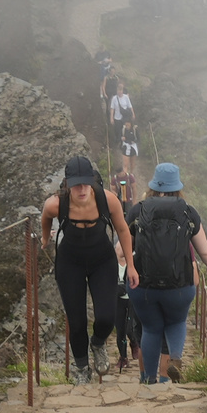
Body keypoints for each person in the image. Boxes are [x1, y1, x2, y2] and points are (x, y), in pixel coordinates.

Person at [41, 156, 137, 384]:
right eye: (76, 184)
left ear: (92, 181)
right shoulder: (56, 204)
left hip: (102, 261)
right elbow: (45, 217)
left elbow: (123, 230)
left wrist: (131, 266)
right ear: (68, 183)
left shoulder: (108, 200)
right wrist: (45, 239)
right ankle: (82, 367)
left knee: (106, 316)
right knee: (76, 321)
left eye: (86, 183)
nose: (82, 189)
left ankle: (98, 342)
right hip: (69, 263)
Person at [124, 162, 207, 384]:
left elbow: (121, 249)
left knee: (151, 328)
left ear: (154, 184)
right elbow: (205, 252)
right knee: (176, 322)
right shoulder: (188, 212)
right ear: (178, 186)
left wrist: (129, 269)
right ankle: (173, 363)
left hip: (144, 287)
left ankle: (148, 379)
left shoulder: (138, 211)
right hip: (180, 287)